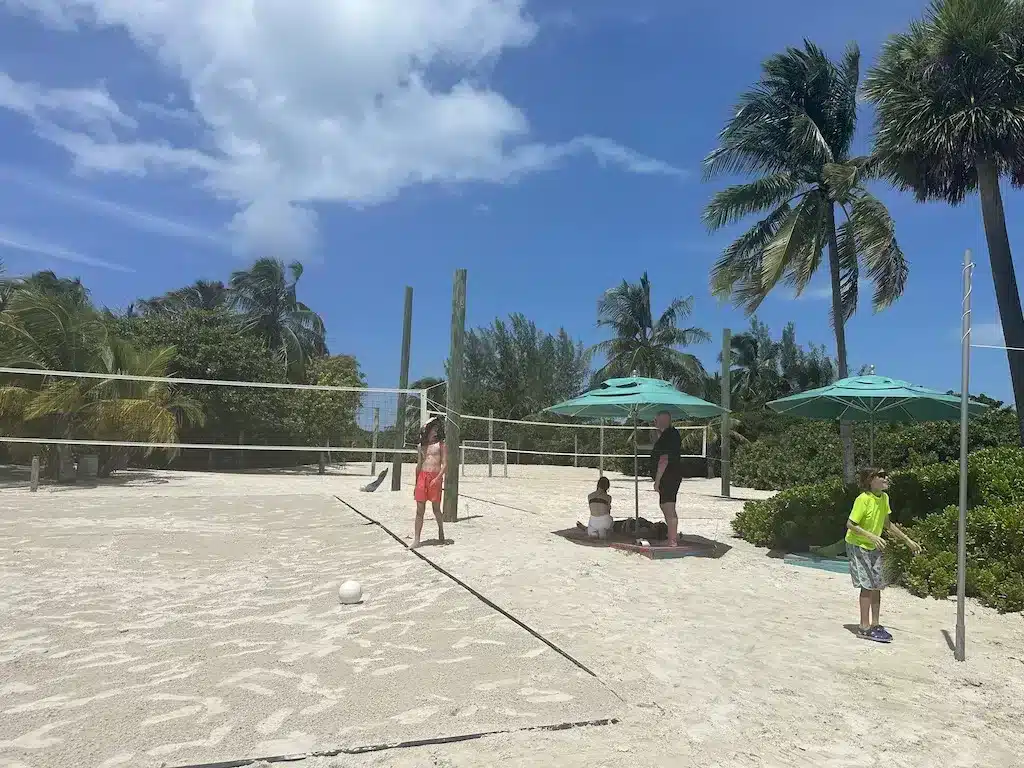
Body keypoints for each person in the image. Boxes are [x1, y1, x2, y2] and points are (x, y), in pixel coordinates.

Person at [845, 467, 922, 643]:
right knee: (867, 585)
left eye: (886, 474)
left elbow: (887, 523)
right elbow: (850, 524)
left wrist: (907, 540)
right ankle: (864, 627)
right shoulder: (863, 499)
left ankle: (875, 624)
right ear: (870, 480)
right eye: (881, 475)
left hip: (874, 545)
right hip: (858, 545)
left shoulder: (884, 498)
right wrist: (872, 536)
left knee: (877, 585)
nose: (886, 477)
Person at [413, 416, 447, 548]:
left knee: (436, 509)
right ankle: (417, 540)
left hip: (435, 476)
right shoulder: (421, 446)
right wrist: (416, 484)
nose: (435, 431)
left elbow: (445, 464)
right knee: (419, 510)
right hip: (423, 477)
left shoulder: (441, 445)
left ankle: (441, 530)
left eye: (437, 429)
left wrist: (437, 478)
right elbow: (418, 465)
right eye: (433, 429)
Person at [651, 410, 683, 547]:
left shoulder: (669, 436)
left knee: (668, 507)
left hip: (668, 476)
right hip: (671, 476)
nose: (655, 422)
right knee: (665, 506)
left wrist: (657, 480)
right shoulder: (669, 434)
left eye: (657, 420)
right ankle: (671, 537)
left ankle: (672, 540)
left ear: (663, 421)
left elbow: (663, 459)